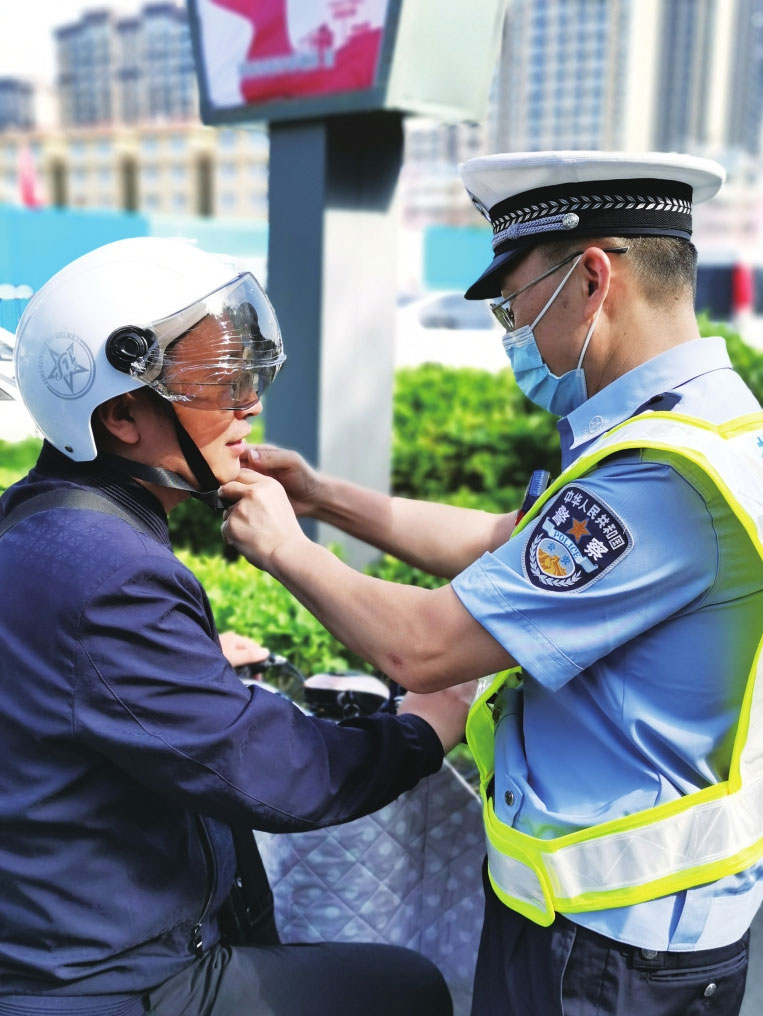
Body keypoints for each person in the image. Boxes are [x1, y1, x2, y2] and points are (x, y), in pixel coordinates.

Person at [219, 151, 763, 1016]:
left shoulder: (660, 479)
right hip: (599, 917)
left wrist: (286, 548)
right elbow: (502, 545)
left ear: (592, 280)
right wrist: (324, 498)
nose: (510, 333)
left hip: (612, 944)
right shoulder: (703, 426)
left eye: (514, 304)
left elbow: (423, 647)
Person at [0, 236, 472, 1016]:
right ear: (121, 414)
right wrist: (423, 728)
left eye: (250, 375)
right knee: (410, 986)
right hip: (109, 979)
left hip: (46, 944)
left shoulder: (34, 520)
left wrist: (187, 664)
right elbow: (280, 777)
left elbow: (55, 669)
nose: (250, 404)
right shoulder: (111, 573)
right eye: (221, 382)